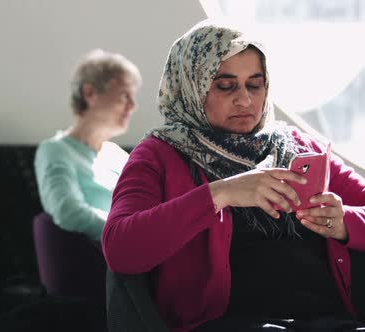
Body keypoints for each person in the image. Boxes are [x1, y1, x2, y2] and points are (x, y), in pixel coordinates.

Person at [102, 19, 365, 331]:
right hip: (233, 324)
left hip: (331, 320)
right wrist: (220, 194)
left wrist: (343, 222)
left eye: (255, 84)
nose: (245, 100)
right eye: (225, 86)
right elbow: (121, 249)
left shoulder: (298, 146)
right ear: (192, 86)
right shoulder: (159, 155)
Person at [34, 49, 142, 242]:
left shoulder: (116, 155)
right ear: (89, 93)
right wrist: (133, 235)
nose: (132, 105)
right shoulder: (55, 150)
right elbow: (69, 212)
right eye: (125, 95)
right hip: (103, 262)